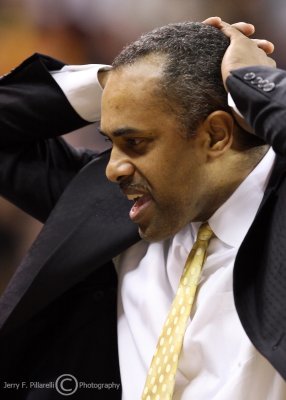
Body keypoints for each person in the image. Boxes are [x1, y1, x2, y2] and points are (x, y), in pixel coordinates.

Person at [0, 19, 284, 400]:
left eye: (134, 141)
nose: (113, 167)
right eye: (111, 142)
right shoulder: (117, 206)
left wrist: (252, 83)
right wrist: (122, 82)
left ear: (216, 135)